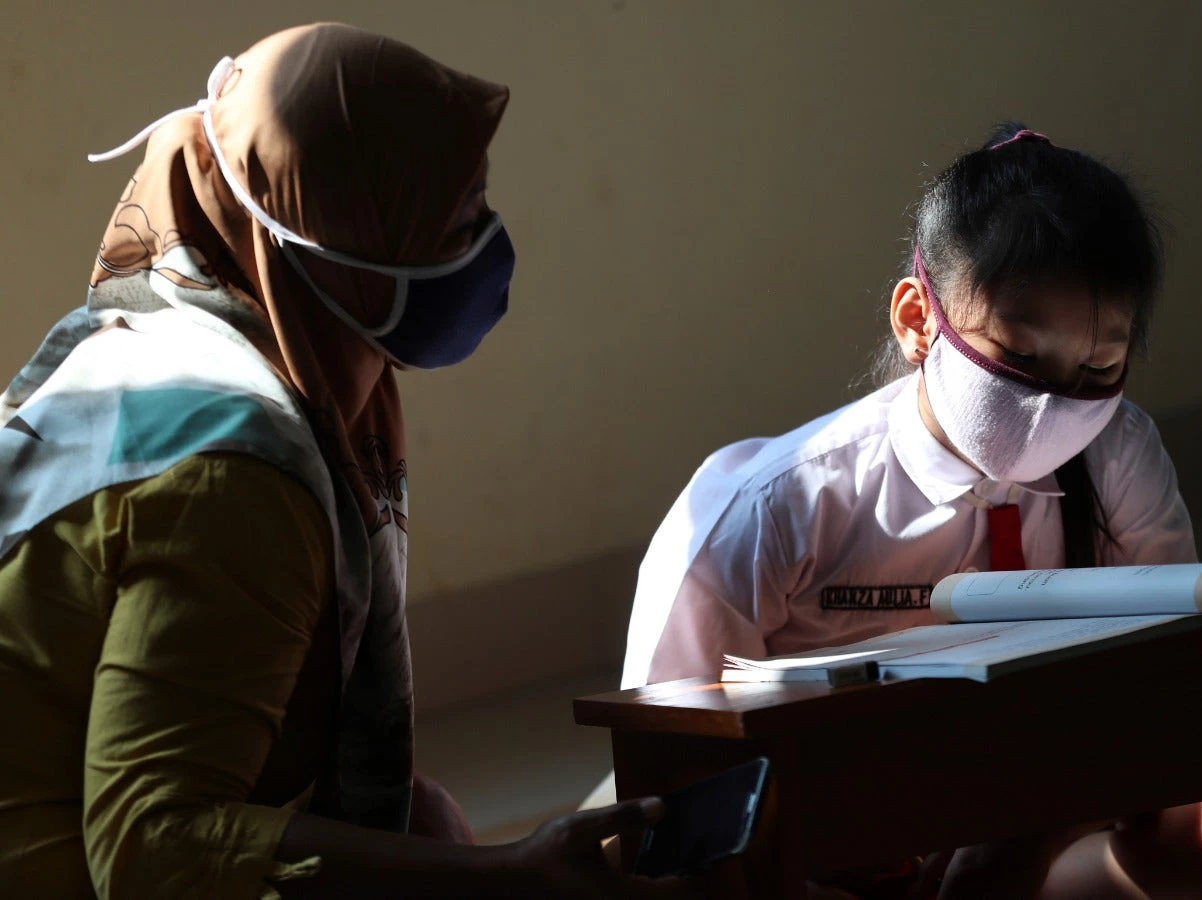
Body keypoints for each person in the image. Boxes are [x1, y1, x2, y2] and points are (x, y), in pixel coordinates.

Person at [0, 23, 689, 899]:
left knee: (420, 813)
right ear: (341, 240)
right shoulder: (237, 472)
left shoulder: (157, 340)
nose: (485, 238)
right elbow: (153, 849)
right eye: (456, 214)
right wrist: (496, 879)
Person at [619, 124, 1202, 898]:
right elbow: (671, 779)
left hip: (1027, 840)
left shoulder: (1119, 455)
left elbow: (1171, 679)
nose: (1054, 402)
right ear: (917, 321)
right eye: (1018, 357)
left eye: (1099, 366)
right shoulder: (770, 508)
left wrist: (1024, 831)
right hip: (817, 856)